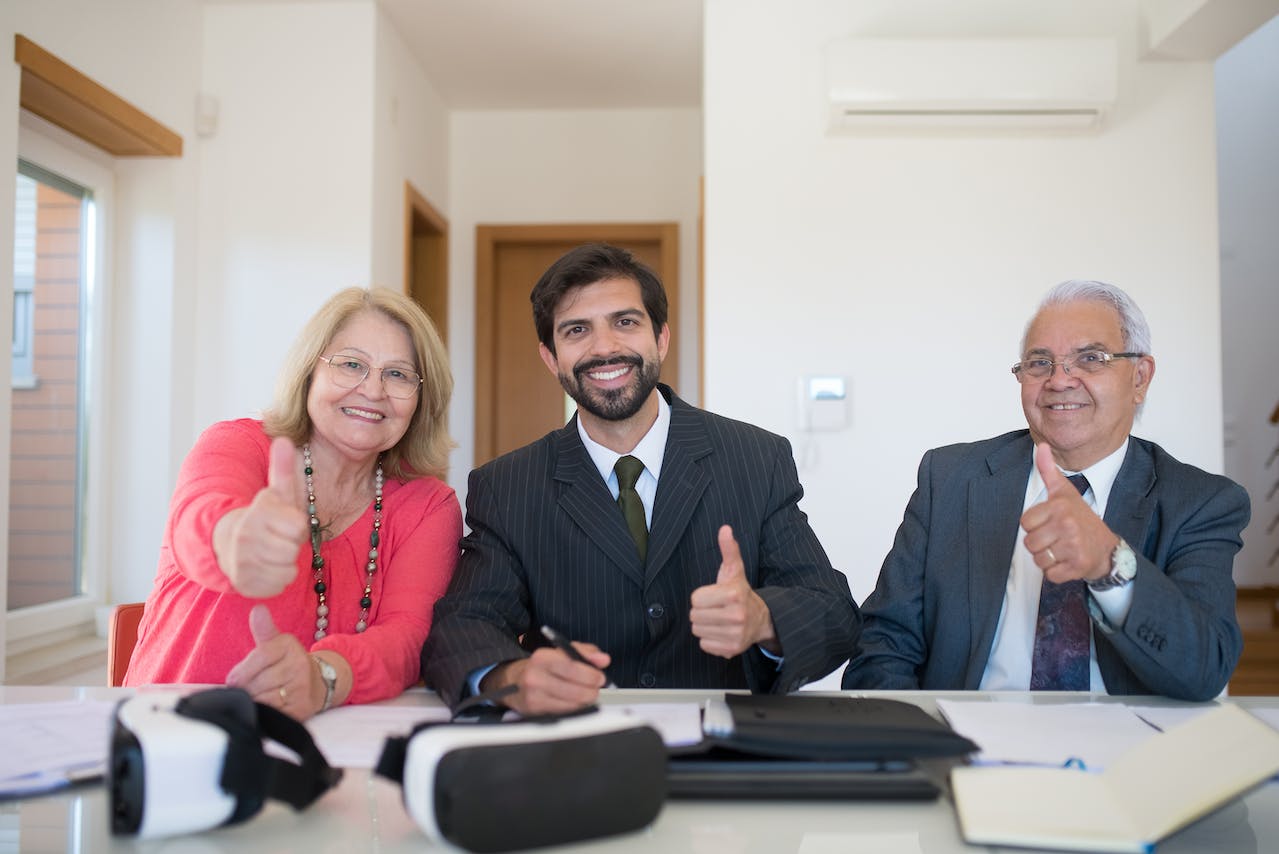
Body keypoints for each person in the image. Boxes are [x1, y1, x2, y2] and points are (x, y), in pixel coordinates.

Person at [422, 243, 859, 714]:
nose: (604, 347)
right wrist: (512, 677)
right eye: (577, 330)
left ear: (661, 338)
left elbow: (834, 613)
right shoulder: (506, 485)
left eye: (625, 322)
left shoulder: (757, 458)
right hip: (580, 739)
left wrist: (763, 620)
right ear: (550, 357)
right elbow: (462, 627)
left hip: (728, 737)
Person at [843, 280, 1248, 702]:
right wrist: (919, 734)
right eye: (1040, 363)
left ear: (1140, 378)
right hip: (972, 733)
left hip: (1125, 739)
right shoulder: (950, 479)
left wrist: (1110, 563)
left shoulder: (1201, 502)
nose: (1059, 380)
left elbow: (1205, 669)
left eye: (1090, 359)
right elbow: (882, 645)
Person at [125, 287, 462, 720]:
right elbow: (196, 519)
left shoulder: (428, 505)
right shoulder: (238, 445)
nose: (373, 389)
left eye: (398, 374)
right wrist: (233, 540)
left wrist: (324, 677)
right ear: (309, 373)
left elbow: (408, 636)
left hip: (324, 743)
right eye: (351, 364)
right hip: (167, 729)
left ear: (421, 399)